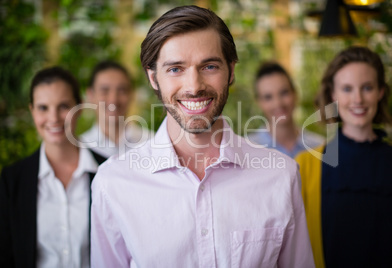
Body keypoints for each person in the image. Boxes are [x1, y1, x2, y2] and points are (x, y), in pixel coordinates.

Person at [91, 5, 314, 267]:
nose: (194, 86)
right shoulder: (113, 184)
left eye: (209, 66)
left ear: (231, 72)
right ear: (153, 78)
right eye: (175, 69)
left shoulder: (280, 176)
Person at [295, 46, 392, 268]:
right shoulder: (305, 166)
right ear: (333, 94)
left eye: (367, 88)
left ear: (380, 91)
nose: (358, 99)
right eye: (347, 89)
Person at [0, 67, 106, 268]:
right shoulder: (12, 180)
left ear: (79, 107)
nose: (54, 117)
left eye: (63, 106)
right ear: (32, 111)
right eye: (43, 108)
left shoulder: (107, 172)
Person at [247, 61, 324, 158]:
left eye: (284, 93)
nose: (278, 103)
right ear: (259, 102)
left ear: (295, 93)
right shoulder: (247, 150)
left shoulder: (318, 147)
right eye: (268, 97)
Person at [80, 60, 151, 158]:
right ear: (90, 95)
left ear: (131, 95)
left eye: (122, 90)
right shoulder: (79, 149)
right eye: (104, 90)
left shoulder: (151, 143)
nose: (113, 99)